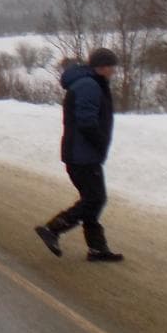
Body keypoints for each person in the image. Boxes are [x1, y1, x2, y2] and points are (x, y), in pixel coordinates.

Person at [35, 48, 123, 262]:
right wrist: (100, 142)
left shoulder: (89, 82)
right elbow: (86, 121)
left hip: (82, 153)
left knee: (92, 200)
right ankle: (53, 229)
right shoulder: (88, 86)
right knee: (95, 199)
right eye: (112, 67)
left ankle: (97, 249)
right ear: (102, 67)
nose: (114, 71)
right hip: (82, 154)